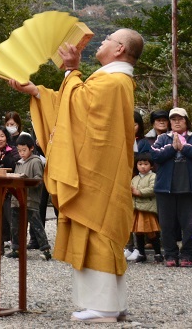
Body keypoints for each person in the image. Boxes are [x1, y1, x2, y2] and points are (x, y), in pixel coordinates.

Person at [9, 28, 144, 323]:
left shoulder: (115, 80)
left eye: (109, 38)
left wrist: (72, 68)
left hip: (97, 174)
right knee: (96, 232)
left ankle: (105, 308)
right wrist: (34, 90)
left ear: (120, 49)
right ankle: (110, 304)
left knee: (98, 231)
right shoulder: (111, 79)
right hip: (97, 171)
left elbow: (80, 106)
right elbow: (72, 105)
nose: (103, 40)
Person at [150, 107, 192, 267]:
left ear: (187, 121)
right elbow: (155, 155)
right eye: (173, 119)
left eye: (180, 119)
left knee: (190, 224)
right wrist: (173, 147)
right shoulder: (162, 138)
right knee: (167, 224)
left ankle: (188, 255)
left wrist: (184, 148)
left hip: (189, 188)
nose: (177, 122)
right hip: (166, 188)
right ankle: (170, 255)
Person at [9, 133, 51, 261]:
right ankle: (16, 248)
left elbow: (39, 179)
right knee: (15, 225)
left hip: (30, 199)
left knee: (36, 225)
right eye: (19, 150)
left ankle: (45, 248)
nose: (21, 153)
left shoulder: (36, 162)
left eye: (24, 150)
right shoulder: (18, 163)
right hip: (16, 199)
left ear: (31, 148)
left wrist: (27, 181)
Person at [130, 153, 161, 263]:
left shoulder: (153, 176)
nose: (143, 166)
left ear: (151, 166)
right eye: (140, 164)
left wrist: (139, 192)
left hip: (148, 209)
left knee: (151, 232)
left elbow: (153, 189)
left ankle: (158, 253)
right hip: (137, 209)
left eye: (146, 164)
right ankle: (141, 253)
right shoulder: (135, 178)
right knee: (138, 232)